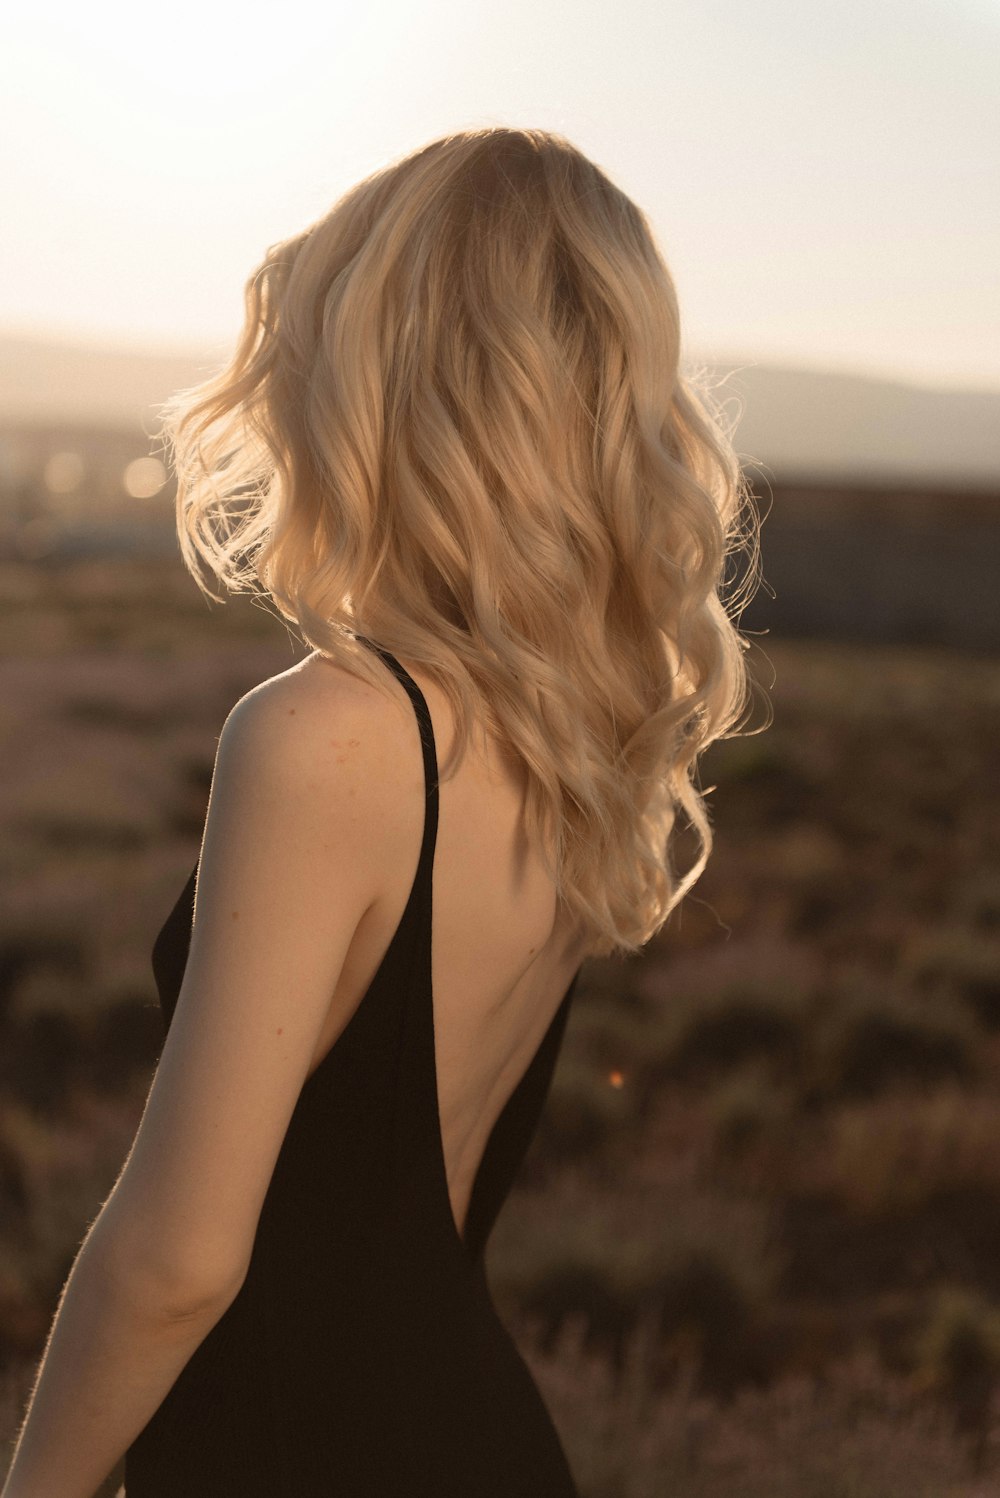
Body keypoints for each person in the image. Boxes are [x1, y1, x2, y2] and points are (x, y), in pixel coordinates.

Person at [1, 125, 762, 1497]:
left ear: (384, 378)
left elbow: (177, 1259)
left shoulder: (326, 735)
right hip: (473, 1438)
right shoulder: (566, 727)